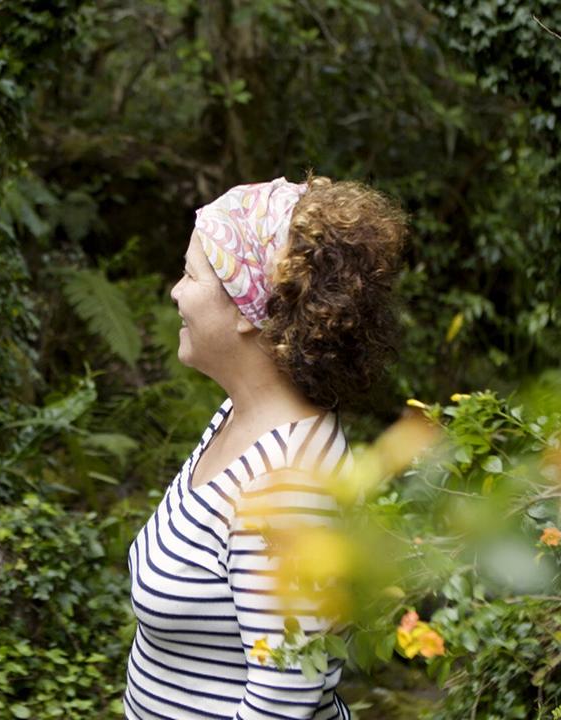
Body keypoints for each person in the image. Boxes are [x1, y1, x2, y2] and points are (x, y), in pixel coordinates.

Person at [124, 176, 406, 719]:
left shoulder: (286, 484)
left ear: (245, 308)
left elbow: (285, 699)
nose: (175, 291)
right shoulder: (240, 414)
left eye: (190, 273)